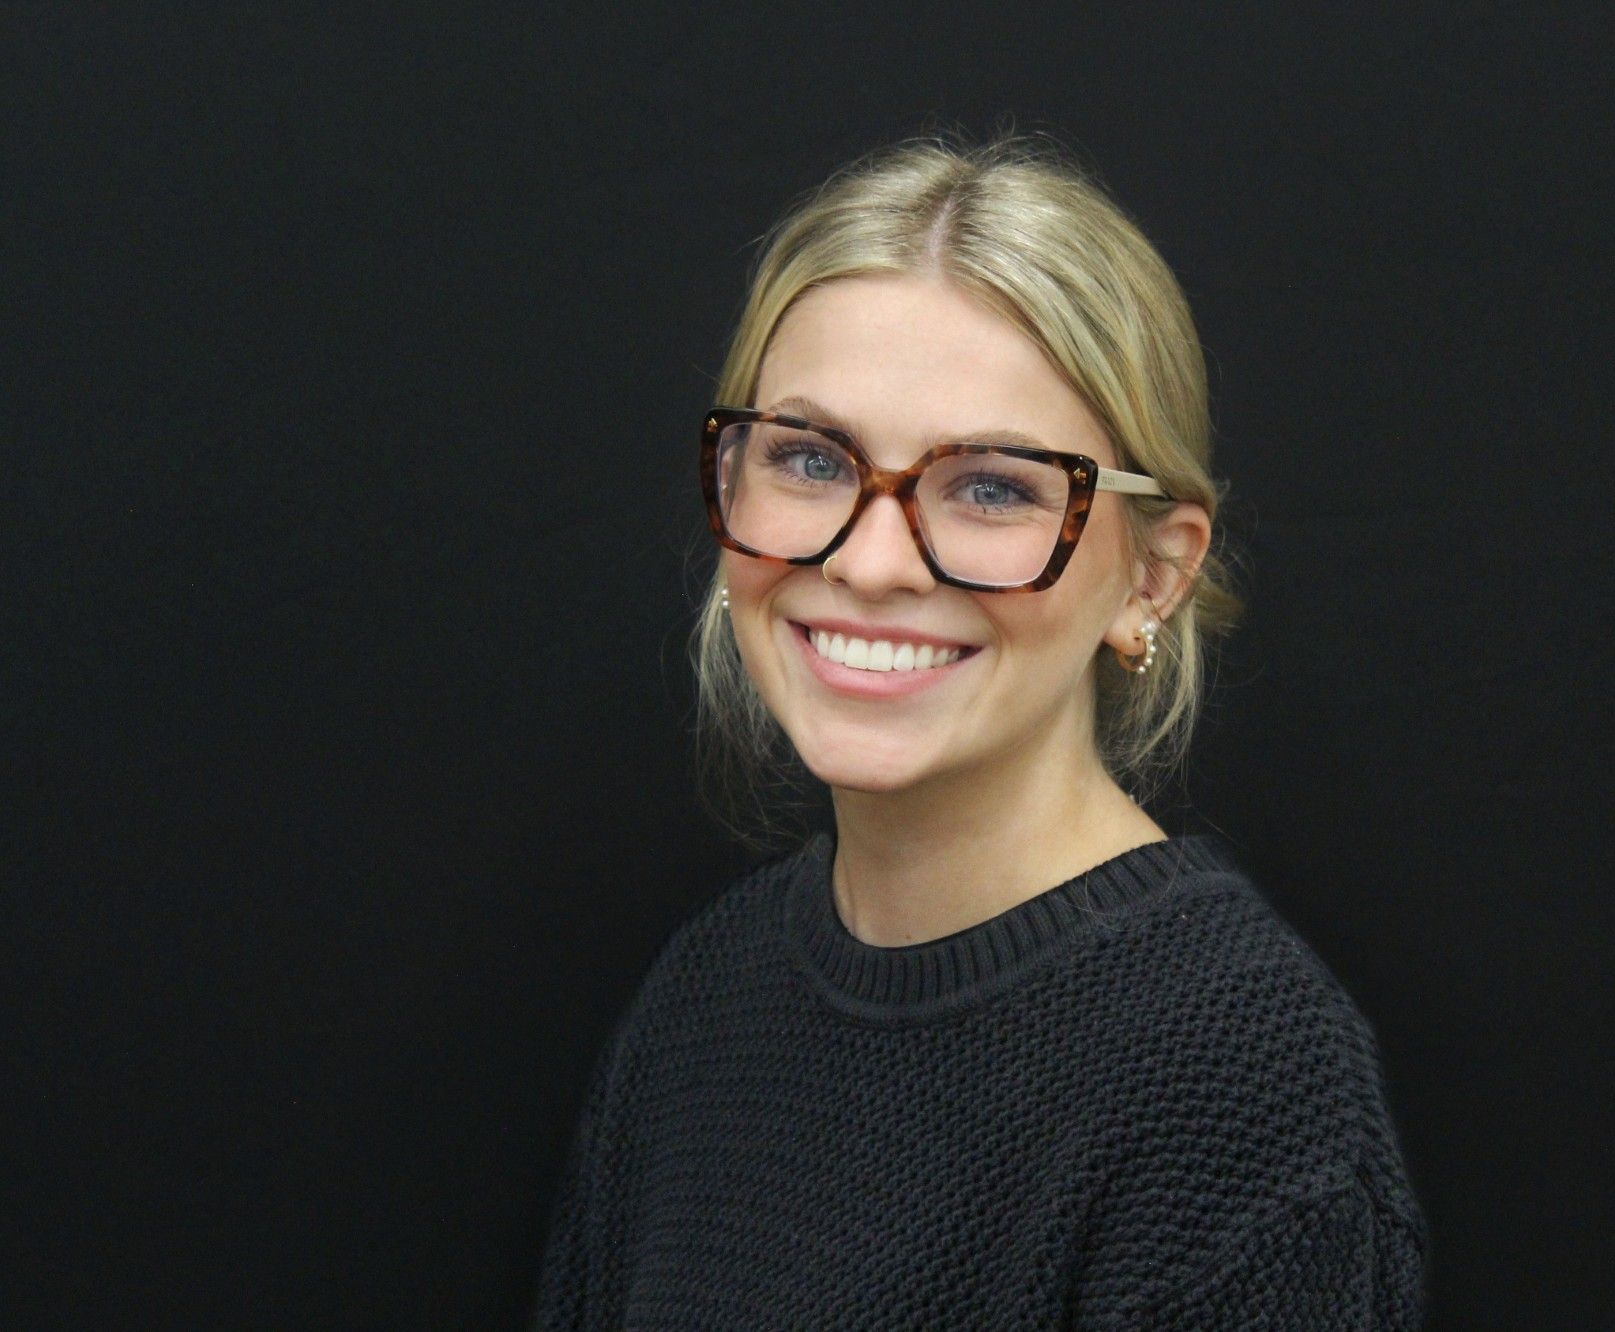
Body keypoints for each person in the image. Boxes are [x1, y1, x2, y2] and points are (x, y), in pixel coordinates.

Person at [532, 131, 1427, 1330]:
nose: (872, 558)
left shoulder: (1240, 1087)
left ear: (1152, 574)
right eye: (808, 458)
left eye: (994, 486)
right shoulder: (704, 1001)